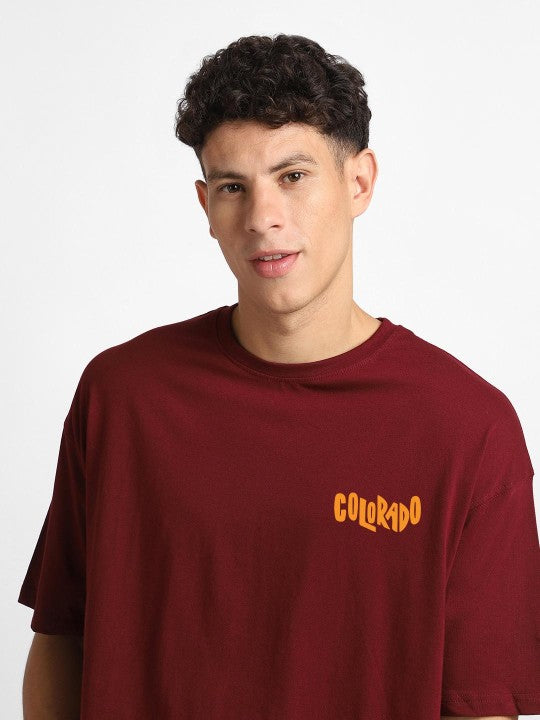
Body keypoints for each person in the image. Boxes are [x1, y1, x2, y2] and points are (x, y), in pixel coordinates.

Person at [18, 33, 539, 720]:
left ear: (359, 182)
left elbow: (481, 706)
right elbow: (62, 638)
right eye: (233, 187)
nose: (263, 219)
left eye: (293, 176)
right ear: (205, 206)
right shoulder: (121, 398)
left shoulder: (468, 430)